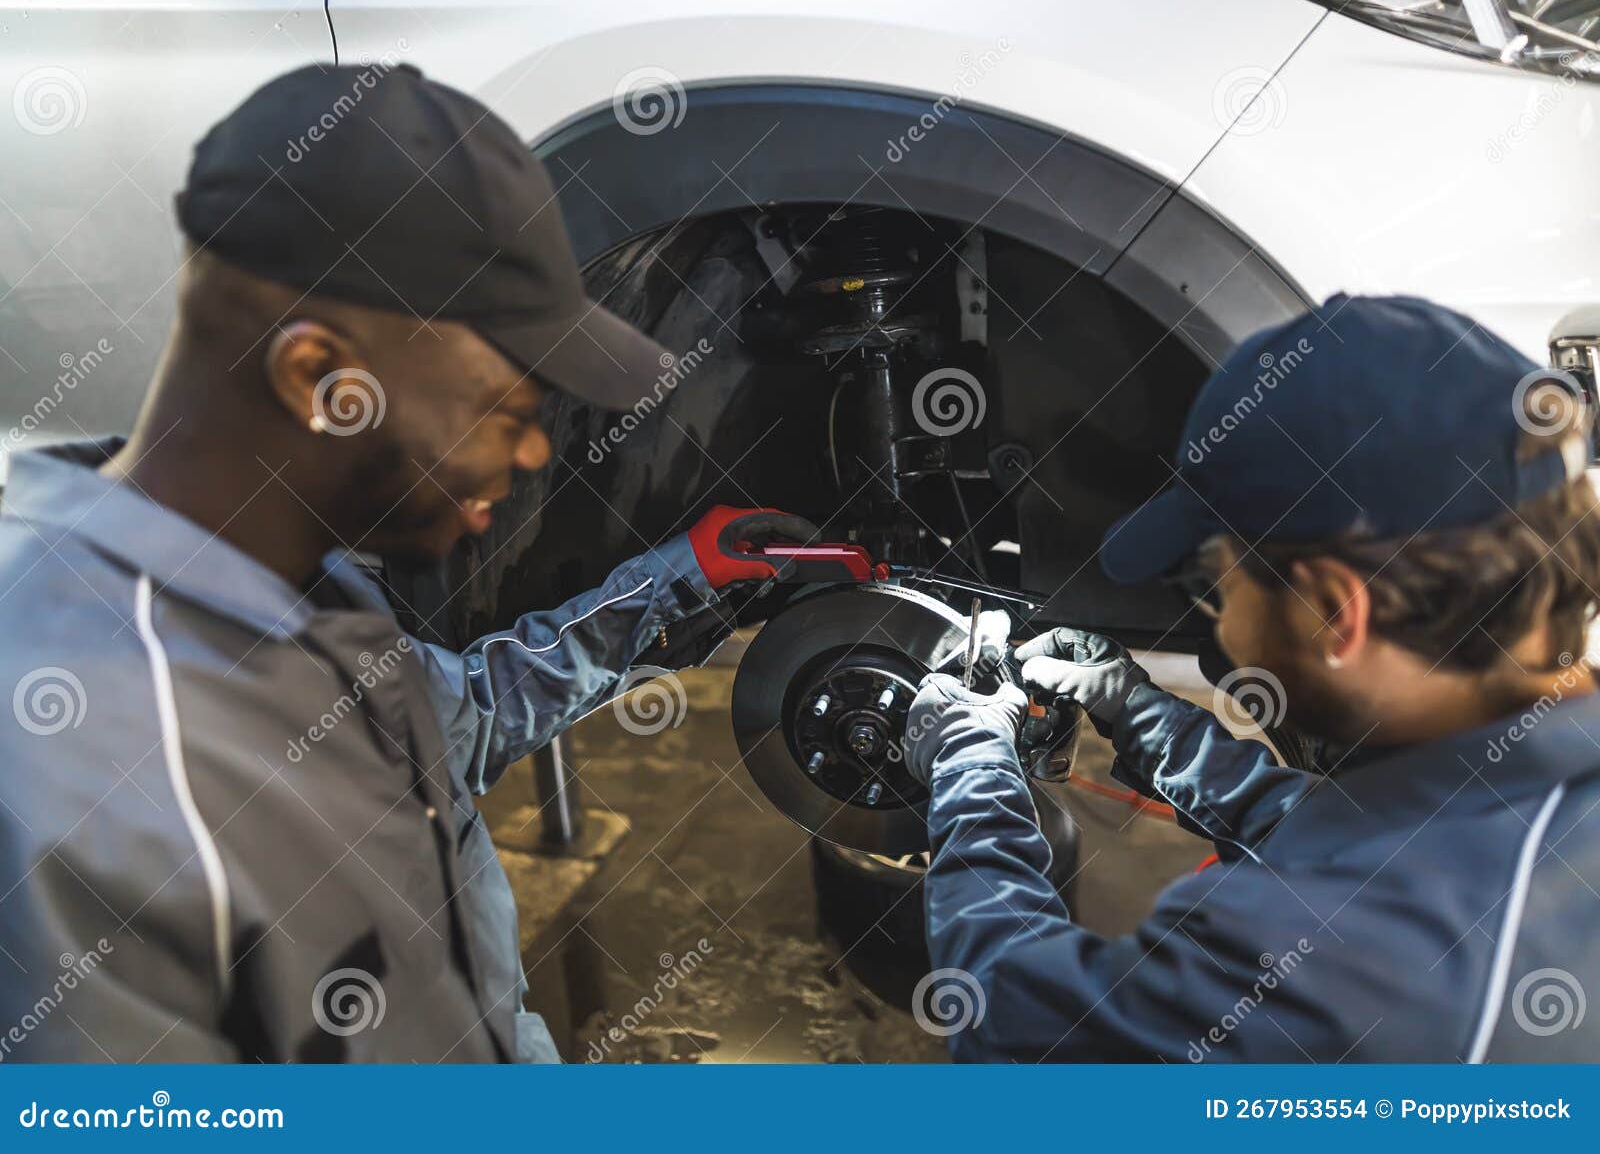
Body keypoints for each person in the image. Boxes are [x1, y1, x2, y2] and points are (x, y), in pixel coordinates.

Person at [0, 65, 814, 1063]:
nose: (533, 455)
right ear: (319, 377)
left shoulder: (310, 591)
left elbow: (465, 715)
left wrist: (679, 577)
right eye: (509, 412)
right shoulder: (75, 775)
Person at [904, 295, 1600, 1062]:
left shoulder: (1322, 959)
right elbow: (1366, 837)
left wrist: (969, 765)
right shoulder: (1521, 801)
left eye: (1218, 587)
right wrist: (1139, 711)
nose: (1222, 624)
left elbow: (1019, 1039)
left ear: (1338, 612)